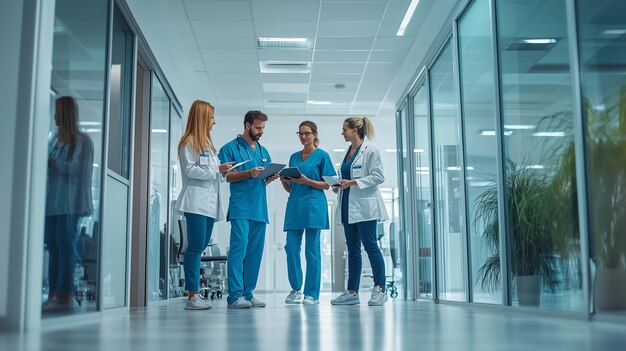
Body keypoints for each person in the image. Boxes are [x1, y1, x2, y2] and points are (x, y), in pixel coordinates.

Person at [218, 110, 279, 309]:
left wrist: (269, 178)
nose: (261, 131)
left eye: (263, 128)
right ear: (247, 125)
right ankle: (235, 296)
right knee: (238, 250)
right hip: (241, 207)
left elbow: (261, 178)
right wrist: (249, 173)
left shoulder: (263, 151)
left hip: (259, 208)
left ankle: (248, 293)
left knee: (254, 253)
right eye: (258, 127)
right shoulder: (230, 148)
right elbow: (227, 176)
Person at [176, 100, 232, 310]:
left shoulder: (208, 145)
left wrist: (223, 172)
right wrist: (218, 169)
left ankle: (194, 294)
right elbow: (190, 171)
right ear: (202, 118)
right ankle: (192, 296)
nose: (214, 122)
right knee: (196, 247)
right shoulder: (188, 142)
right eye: (211, 117)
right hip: (196, 202)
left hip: (208, 203)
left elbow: (212, 173)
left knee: (201, 246)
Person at [330, 116, 389, 306]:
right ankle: (352, 292)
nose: (342, 133)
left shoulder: (370, 150)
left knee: (371, 246)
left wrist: (353, 182)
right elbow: (347, 176)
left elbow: (379, 176)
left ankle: (380, 289)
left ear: (355, 130)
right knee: (352, 249)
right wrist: (339, 185)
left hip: (365, 207)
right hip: (348, 205)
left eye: (344, 129)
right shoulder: (348, 152)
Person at [44, 96, 94, 311]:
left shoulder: (82, 141)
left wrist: (53, 162)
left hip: (71, 204)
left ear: (64, 113)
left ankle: (65, 294)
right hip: (53, 203)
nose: (54, 115)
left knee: (65, 246)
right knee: (52, 245)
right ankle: (54, 292)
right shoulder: (55, 140)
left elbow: (77, 170)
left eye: (57, 111)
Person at [280, 121, 336, 305]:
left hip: (314, 206)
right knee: (291, 248)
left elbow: (327, 185)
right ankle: (296, 288)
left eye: (307, 133)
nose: (303, 137)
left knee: (312, 251)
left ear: (314, 134)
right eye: (300, 133)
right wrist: (283, 180)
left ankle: (312, 294)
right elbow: (291, 188)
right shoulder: (294, 157)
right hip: (295, 205)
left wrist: (307, 181)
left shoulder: (322, 156)